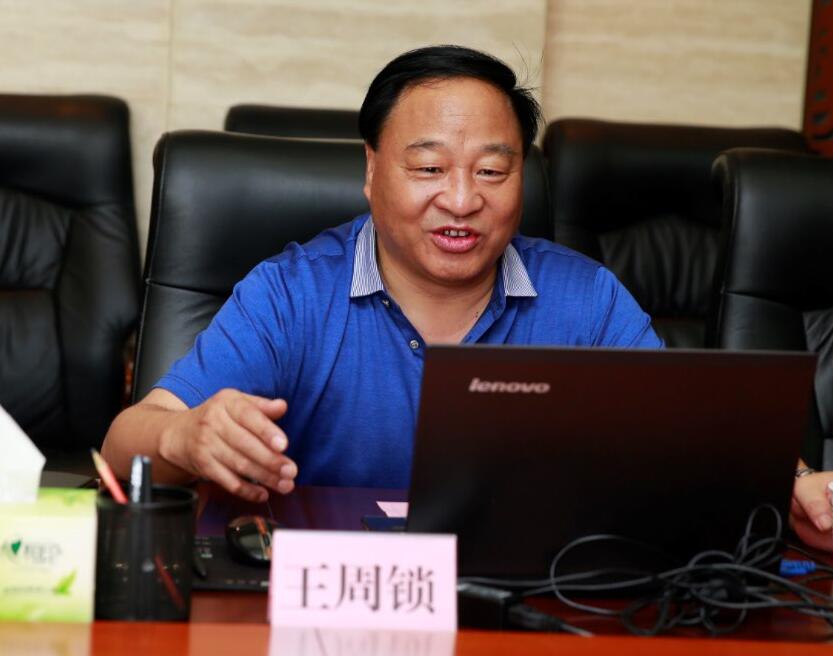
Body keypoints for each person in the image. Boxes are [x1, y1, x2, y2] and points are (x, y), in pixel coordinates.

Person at [101, 45, 833, 552]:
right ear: (371, 171)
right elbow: (123, 444)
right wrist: (184, 436)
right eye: (429, 168)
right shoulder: (291, 292)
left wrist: (794, 483)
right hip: (327, 607)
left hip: (528, 603)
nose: (460, 199)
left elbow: (690, 435)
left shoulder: (583, 297)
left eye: (491, 171)